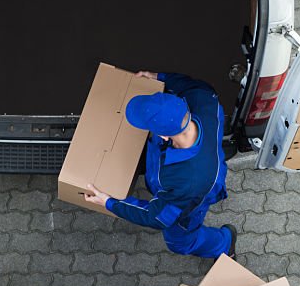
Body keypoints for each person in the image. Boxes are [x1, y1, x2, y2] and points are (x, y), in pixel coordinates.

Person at [84, 71, 237, 259]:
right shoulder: (201, 98)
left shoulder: (187, 181)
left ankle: (225, 242)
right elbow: (189, 84)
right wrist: (158, 76)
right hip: (205, 163)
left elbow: (155, 216)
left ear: (164, 136)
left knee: (181, 243)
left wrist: (109, 202)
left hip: (197, 194)